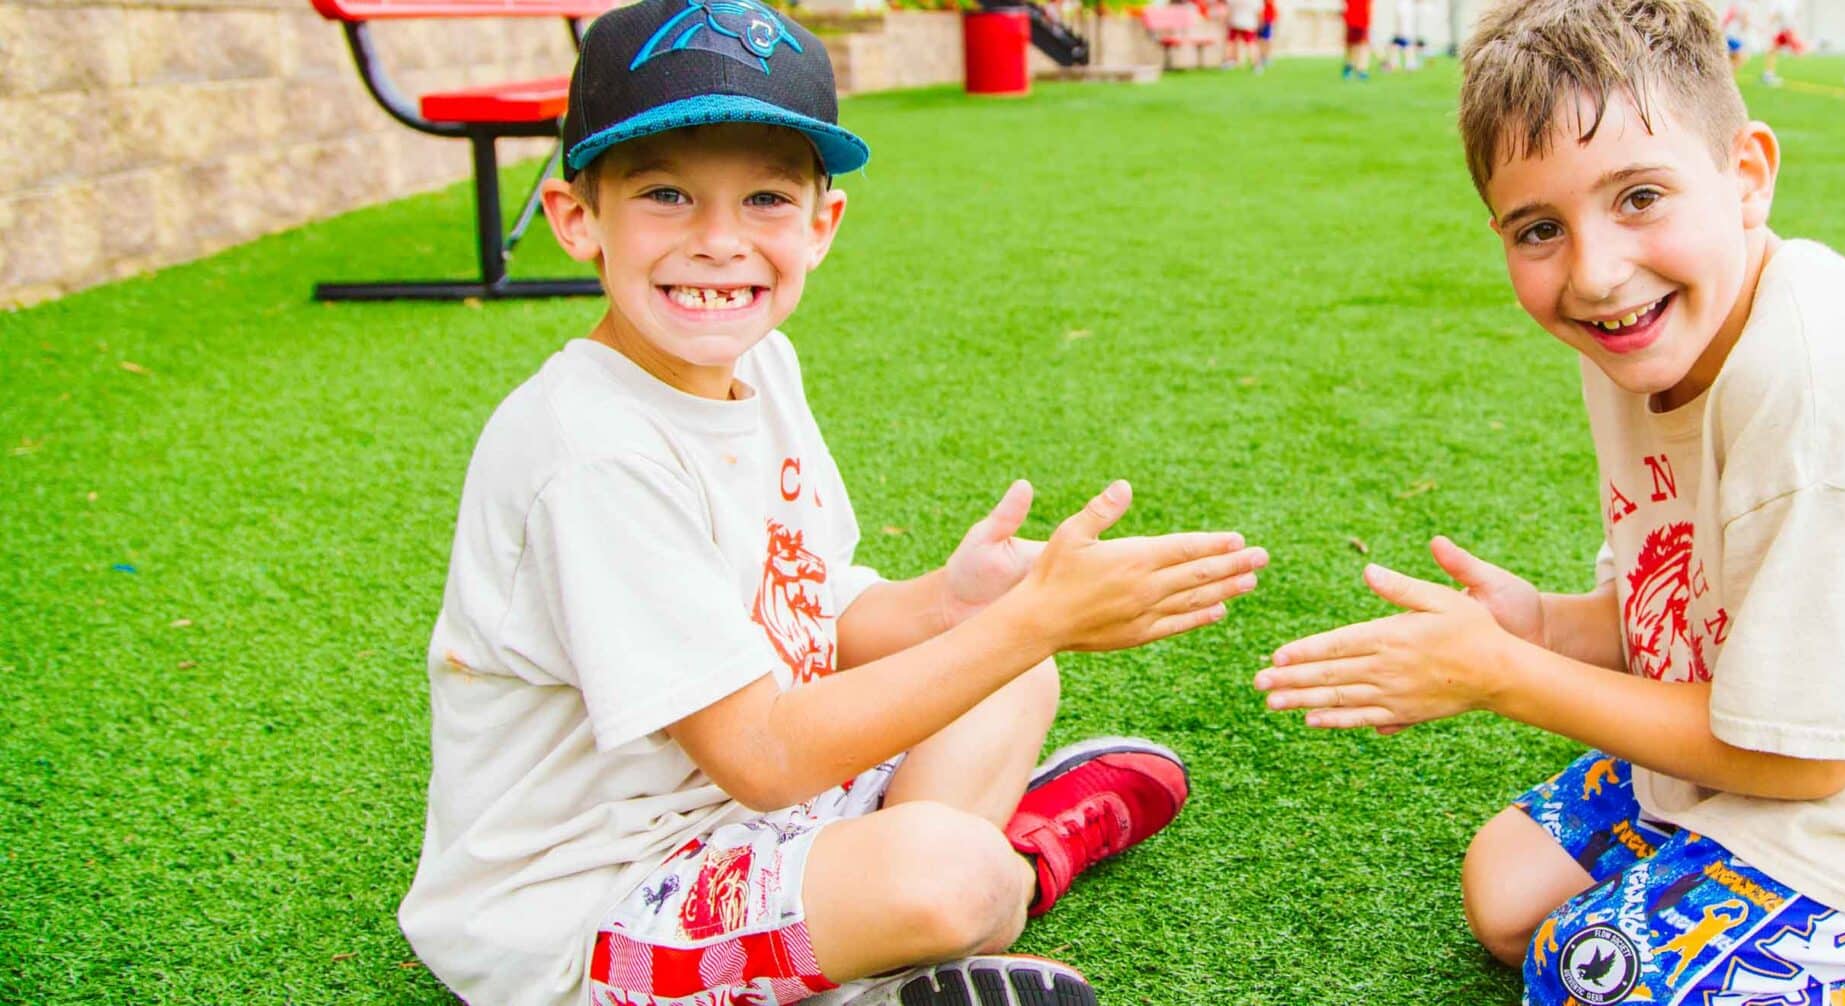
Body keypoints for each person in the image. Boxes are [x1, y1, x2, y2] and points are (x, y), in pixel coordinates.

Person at [1254, 0, 1845, 1002]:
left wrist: (1504, 676)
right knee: (1506, 896)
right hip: (1826, 715)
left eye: (1638, 197)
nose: (1594, 272)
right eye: (1539, 229)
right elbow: (1686, 615)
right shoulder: (1643, 334)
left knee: (1590, 977)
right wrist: (1539, 627)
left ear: (1747, 176)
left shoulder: (1828, 395)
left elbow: (1795, 762)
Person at [397, 1, 1268, 1002]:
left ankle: (915, 912)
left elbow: (814, 617)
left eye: (765, 199)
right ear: (577, 217)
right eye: (668, 195)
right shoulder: (589, 452)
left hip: (756, 826)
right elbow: (763, 753)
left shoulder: (762, 365)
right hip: (593, 904)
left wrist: (956, 601)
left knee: (1013, 675)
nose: (720, 242)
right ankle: (1005, 872)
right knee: (953, 871)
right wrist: (1037, 618)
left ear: (823, 224)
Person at [1391, 0, 1429, 69]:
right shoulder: (1404, 4)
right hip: (1405, 27)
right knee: (1400, 43)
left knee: (1403, 44)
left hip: (1405, 27)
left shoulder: (1404, 4)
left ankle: (1407, 63)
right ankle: (1406, 63)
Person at [1344, 0, 1377, 78]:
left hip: (1361, 20)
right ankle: (1353, 66)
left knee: (1361, 45)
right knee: (1354, 45)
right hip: (1353, 19)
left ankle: (1359, 68)